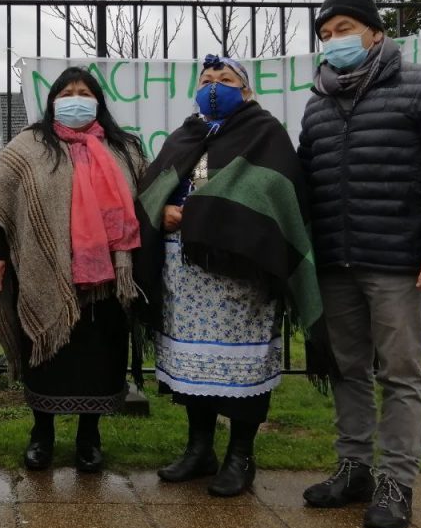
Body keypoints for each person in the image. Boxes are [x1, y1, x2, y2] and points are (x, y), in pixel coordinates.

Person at [299, 0, 421, 528]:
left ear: (377, 32)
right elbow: (308, 181)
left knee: (400, 373)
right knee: (348, 368)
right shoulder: (318, 101)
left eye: (346, 29)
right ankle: (353, 468)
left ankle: (396, 483)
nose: (336, 42)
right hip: (335, 261)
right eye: (327, 35)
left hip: (397, 261)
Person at [133, 55, 332, 498]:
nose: (214, 86)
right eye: (207, 79)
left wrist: (197, 215)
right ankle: (199, 449)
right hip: (184, 275)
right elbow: (153, 188)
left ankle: (241, 456)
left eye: (225, 79)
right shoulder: (185, 135)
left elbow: (274, 199)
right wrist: (163, 210)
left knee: (242, 367)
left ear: (246, 90)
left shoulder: (266, 134)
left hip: (244, 273)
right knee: (192, 363)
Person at [0, 67, 146, 473]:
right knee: (47, 355)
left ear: (99, 99)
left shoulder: (126, 149)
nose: (76, 98)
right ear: (52, 102)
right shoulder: (27, 146)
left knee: (100, 357)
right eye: (67, 92)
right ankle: (41, 434)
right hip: (45, 274)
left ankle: (89, 438)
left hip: (108, 282)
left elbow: (145, 208)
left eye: (84, 91)